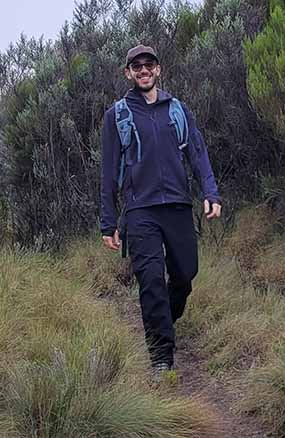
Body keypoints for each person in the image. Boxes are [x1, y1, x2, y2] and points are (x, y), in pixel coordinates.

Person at [99, 44, 221, 375]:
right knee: (151, 280)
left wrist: (211, 191)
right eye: (136, 66)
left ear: (158, 69)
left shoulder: (178, 110)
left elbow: (197, 153)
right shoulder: (117, 116)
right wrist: (108, 222)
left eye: (148, 64)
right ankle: (161, 358)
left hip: (178, 205)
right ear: (128, 73)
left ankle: (164, 319)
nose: (143, 70)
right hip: (141, 212)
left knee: (185, 275)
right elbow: (109, 171)